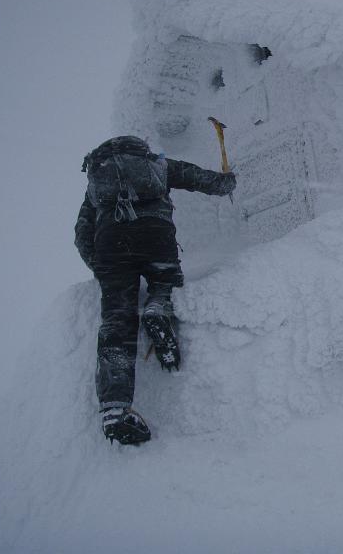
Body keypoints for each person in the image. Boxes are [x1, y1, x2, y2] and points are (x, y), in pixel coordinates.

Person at [74, 135, 236, 445]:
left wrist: (104, 269)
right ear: (140, 150)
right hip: (155, 235)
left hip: (110, 246)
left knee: (116, 324)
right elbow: (196, 177)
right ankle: (159, 306)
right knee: (165, 282)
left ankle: (115, 409)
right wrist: (227, 182)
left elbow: (82, 232)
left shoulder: (96, 183)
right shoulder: (155, 165)